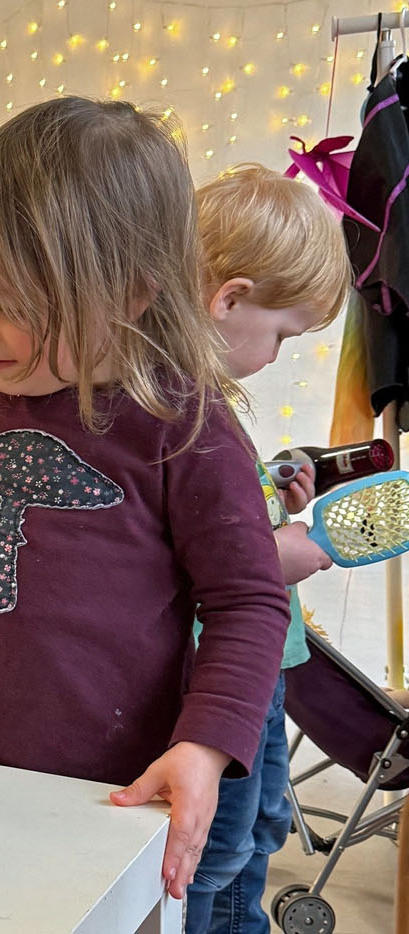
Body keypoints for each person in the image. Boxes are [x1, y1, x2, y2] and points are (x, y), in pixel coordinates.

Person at [0, 97, 291, 899]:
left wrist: (206, 747)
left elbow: (250, 603)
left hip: (106, 797)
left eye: (7, 302)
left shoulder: (187, 431)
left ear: (133, 293)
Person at [184, 164, 352, 933]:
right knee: (220, 852)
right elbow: (201, 565)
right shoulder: (183, 416)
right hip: (224, 677)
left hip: (267, 674)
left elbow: (223, 517)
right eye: (283, 334)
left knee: (260, 829)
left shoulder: (212, 410)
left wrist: (271, 490)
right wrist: (287, 551)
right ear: (230, 299)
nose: (280, 355)